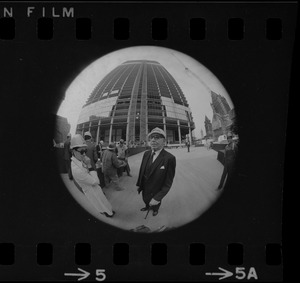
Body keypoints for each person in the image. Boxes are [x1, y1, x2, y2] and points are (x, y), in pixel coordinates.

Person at [70, 134, 115, 218]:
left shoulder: (79, 160)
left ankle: (109, 210)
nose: (84, 154)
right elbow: (96, 181)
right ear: (73, 151)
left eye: (85, 151)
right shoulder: (76, 169)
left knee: (103, 200)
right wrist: (90, 165)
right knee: (100, 203)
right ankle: (109, 213)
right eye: (82, 152)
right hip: (91, 190)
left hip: (94, 187)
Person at [136, 127, 176, 217]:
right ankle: (147, 206)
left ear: (164, 141)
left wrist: (157, 198)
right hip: (145, 187)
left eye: (157, 137)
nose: (153, 140)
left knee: (155, 203)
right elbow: (142, 170)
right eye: (151, 137)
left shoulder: (169, 158)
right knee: (146, 199)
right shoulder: (146, 154)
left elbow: (168, 183)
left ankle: (155, 210)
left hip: (156, 190)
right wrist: (139, 184)